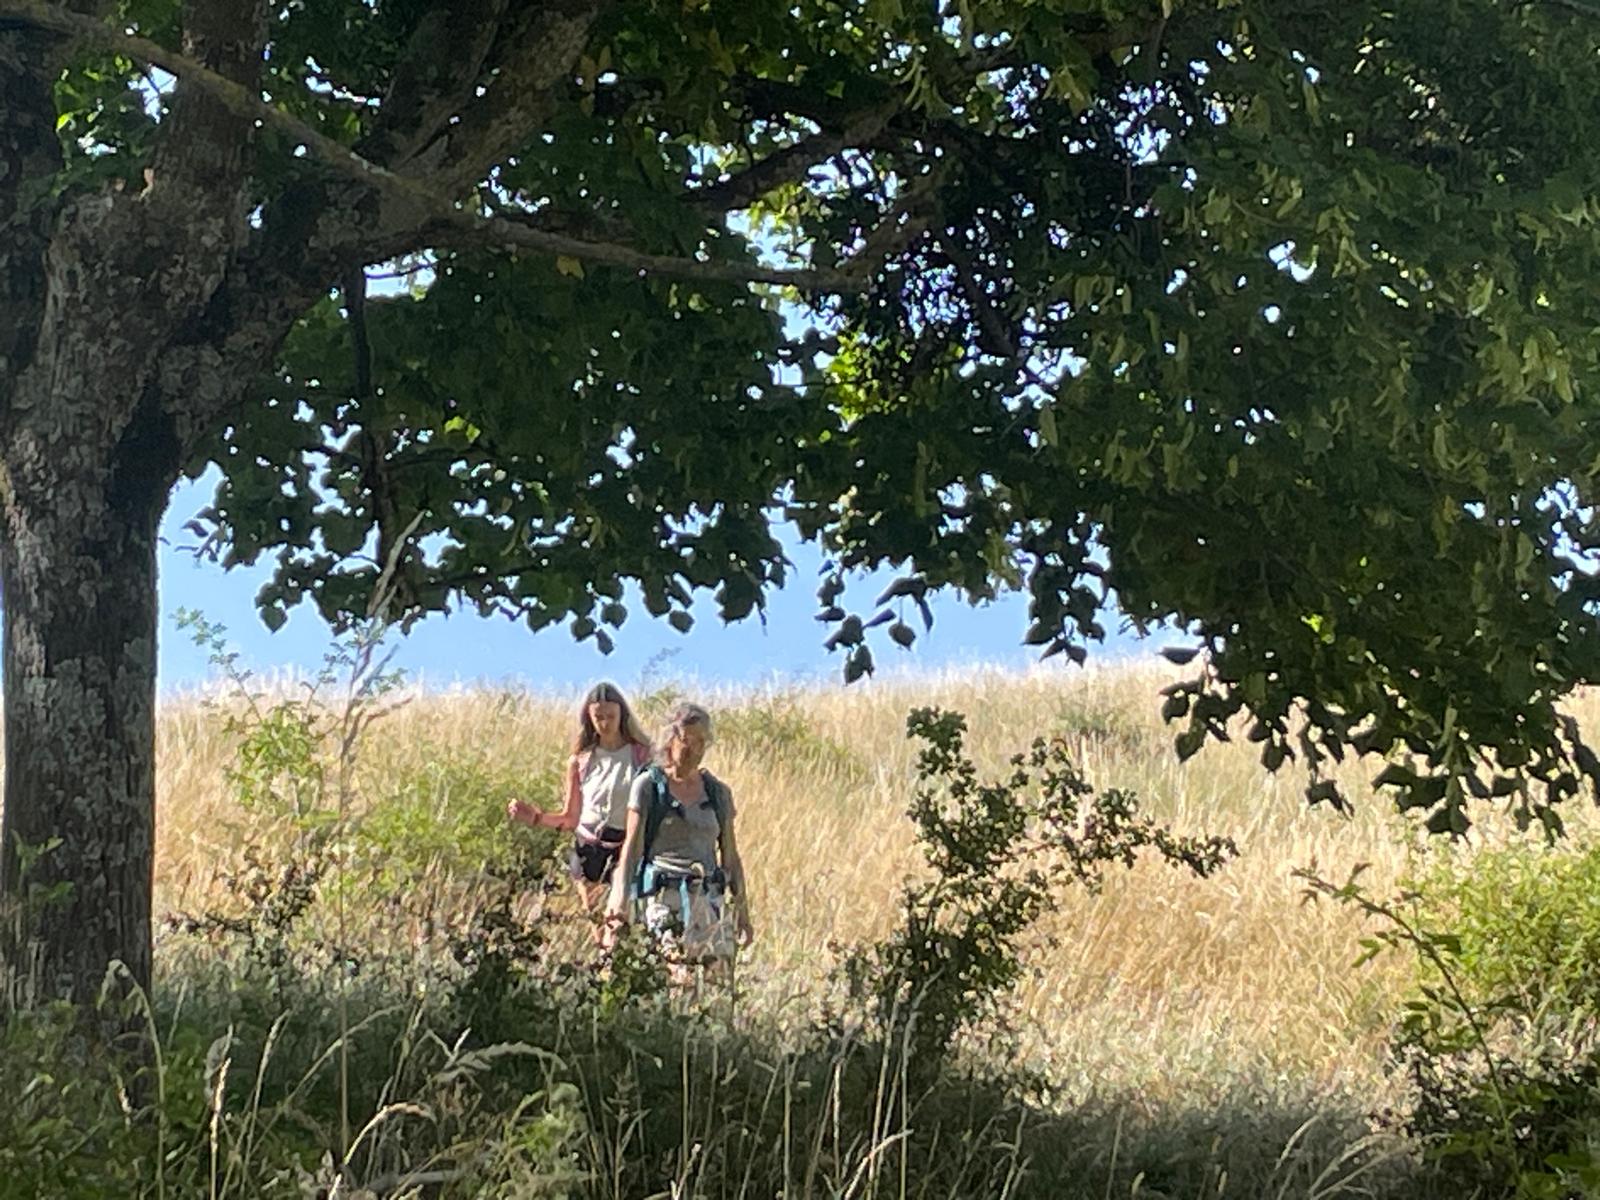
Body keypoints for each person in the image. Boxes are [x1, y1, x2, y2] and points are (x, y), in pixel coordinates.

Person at [603, 702, 753, 974]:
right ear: (670, 740)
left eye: (701, 742)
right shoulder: (649, 787)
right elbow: (631, 852)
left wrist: (742, 911)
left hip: (709, 903)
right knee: (679, 979)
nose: (694, 750)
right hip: (665, 900)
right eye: (687, 740)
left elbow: (730, 857)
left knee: (716, 986)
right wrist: (618, 905)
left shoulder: (718, 793)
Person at [507, 681, 651, 914]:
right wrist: (535, 818)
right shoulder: (581, 761)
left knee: (617, 921)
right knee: (596, 923)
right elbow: (571, 818)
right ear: (589, 718)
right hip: (588, 849)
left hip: (626, 847)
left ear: (622, 715)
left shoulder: (641, 756)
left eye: (611, 716)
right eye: (598, 717)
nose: (605, 723)